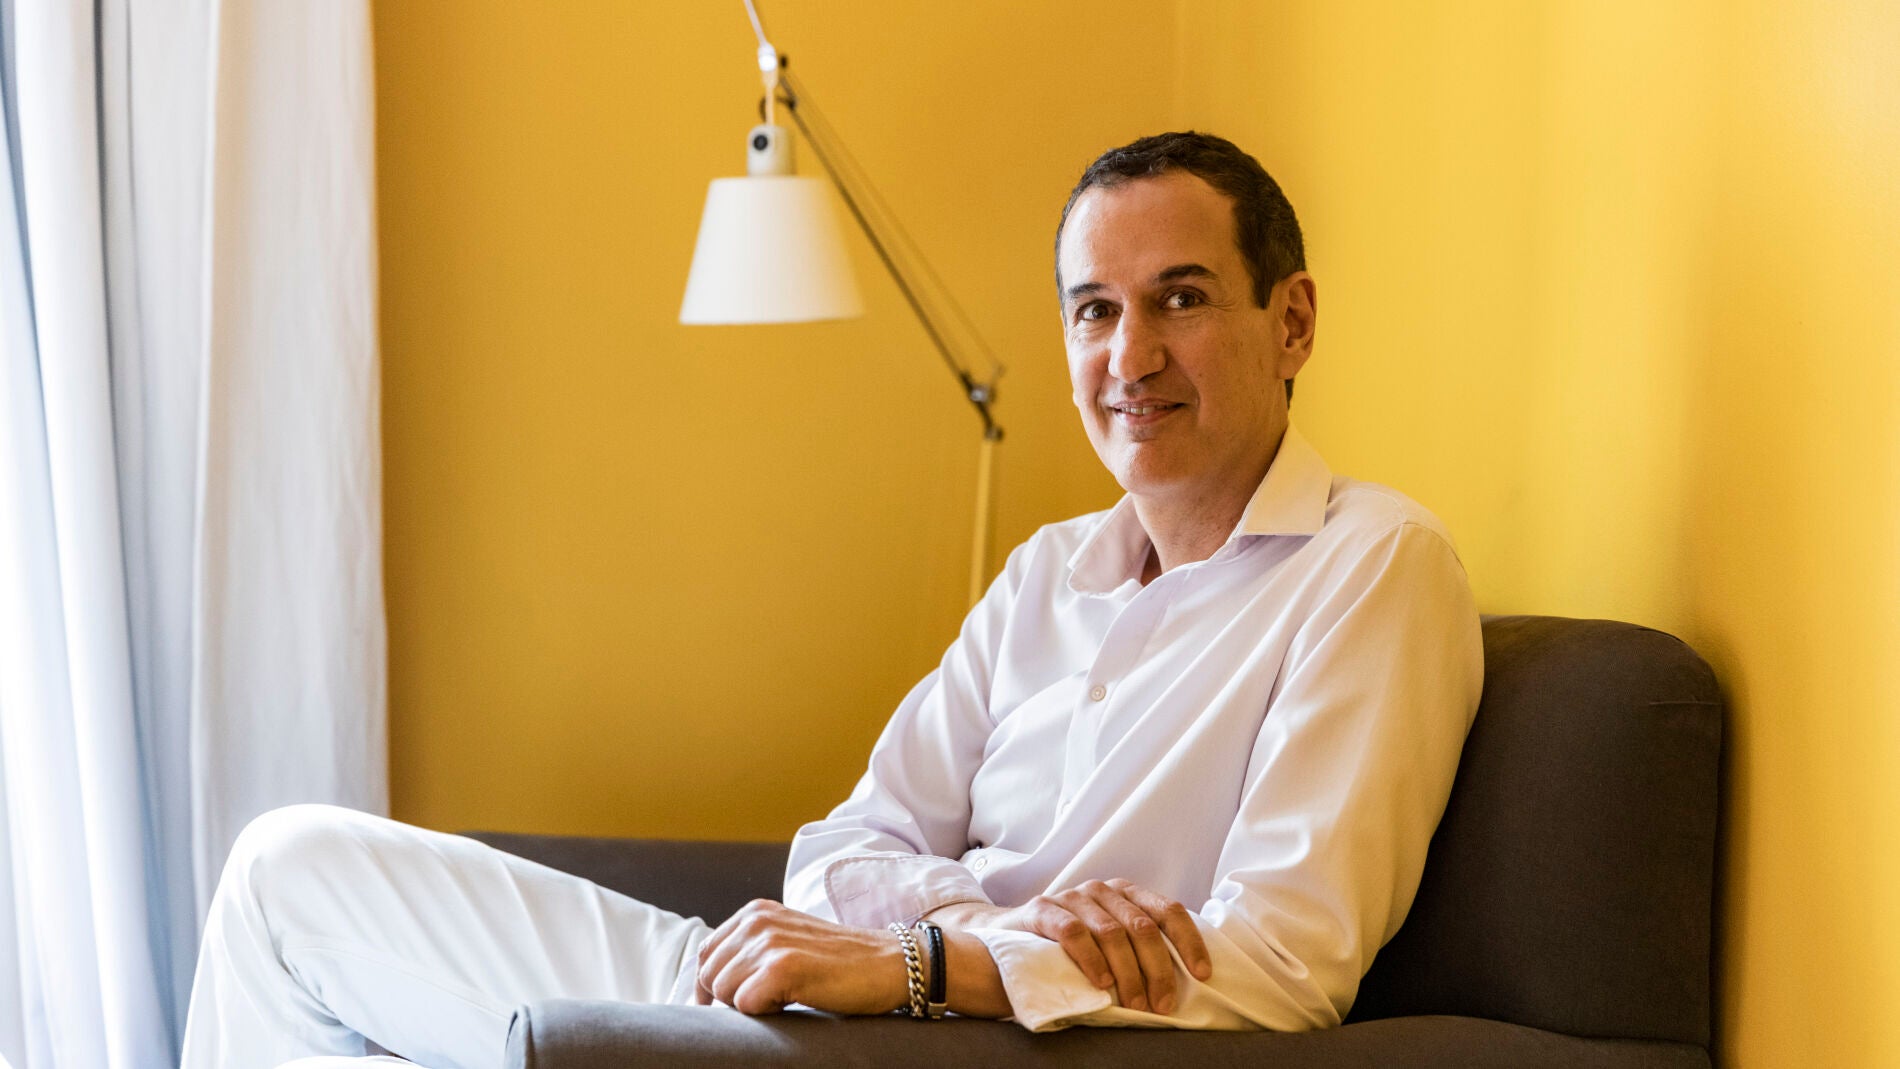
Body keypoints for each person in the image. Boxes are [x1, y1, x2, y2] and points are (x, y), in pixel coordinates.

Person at [179, 131, 1482, 1068]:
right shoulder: (1046, 572)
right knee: (286, 877)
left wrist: (928, 966)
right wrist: (984, 923)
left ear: (1292, 321)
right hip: (811, 992)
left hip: (937, 1043)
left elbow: (1283, 967)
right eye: (1094, 311)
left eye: (1179, 300)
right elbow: (839, 853)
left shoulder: (1372, 566)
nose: (1128, 355)